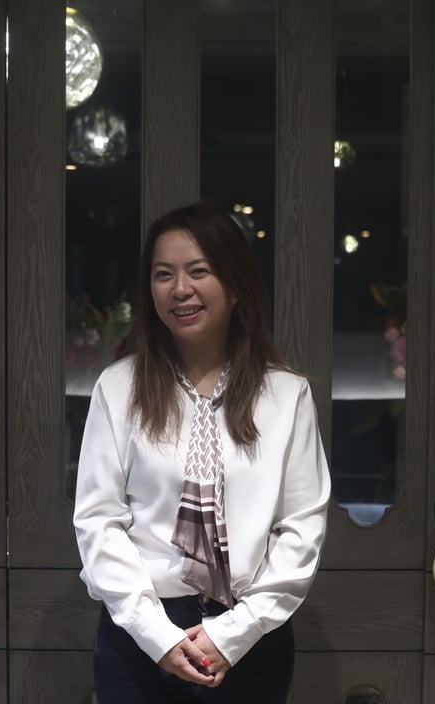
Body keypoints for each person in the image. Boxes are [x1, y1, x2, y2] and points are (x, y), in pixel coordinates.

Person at [73, 202, 331, 703]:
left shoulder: (286, 395)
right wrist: (158, 635)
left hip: (252, 640)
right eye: (163, 275)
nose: (180, 289)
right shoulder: (118, 388)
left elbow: (302, 528)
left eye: (199, 271)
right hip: (140, 639)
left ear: (235, 286)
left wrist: (231, 635)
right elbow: (99, 521)